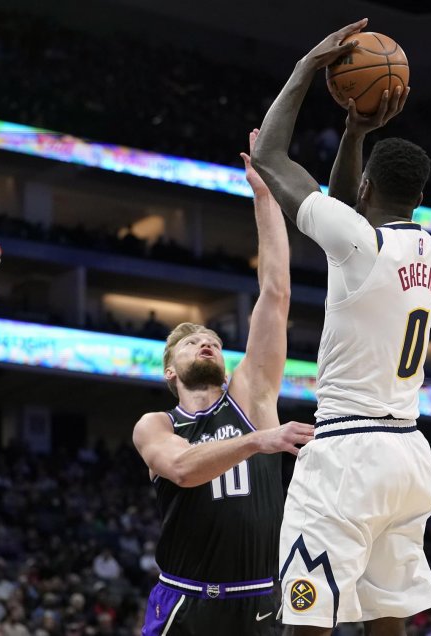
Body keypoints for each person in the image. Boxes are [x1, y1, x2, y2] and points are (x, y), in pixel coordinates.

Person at [252, 19, 431, 636]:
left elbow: (268, 156)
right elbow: (344, 214)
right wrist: (355, 134)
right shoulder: (429, 253)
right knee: (385, 613)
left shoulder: (360, 246)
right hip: (409, 455)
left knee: (307, 618)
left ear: (365, 188)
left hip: (348, 454)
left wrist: (307, 67)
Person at [132, 130, 314, 635]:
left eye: (211, 338)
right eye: (191, 343)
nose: (206, 343)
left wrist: (264, 195)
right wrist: (260, 440)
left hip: (260, 598)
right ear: (171, 370)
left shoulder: (252, 396)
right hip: (188, 600)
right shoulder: (157, 424)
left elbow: (275, 293)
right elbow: (183, 471)